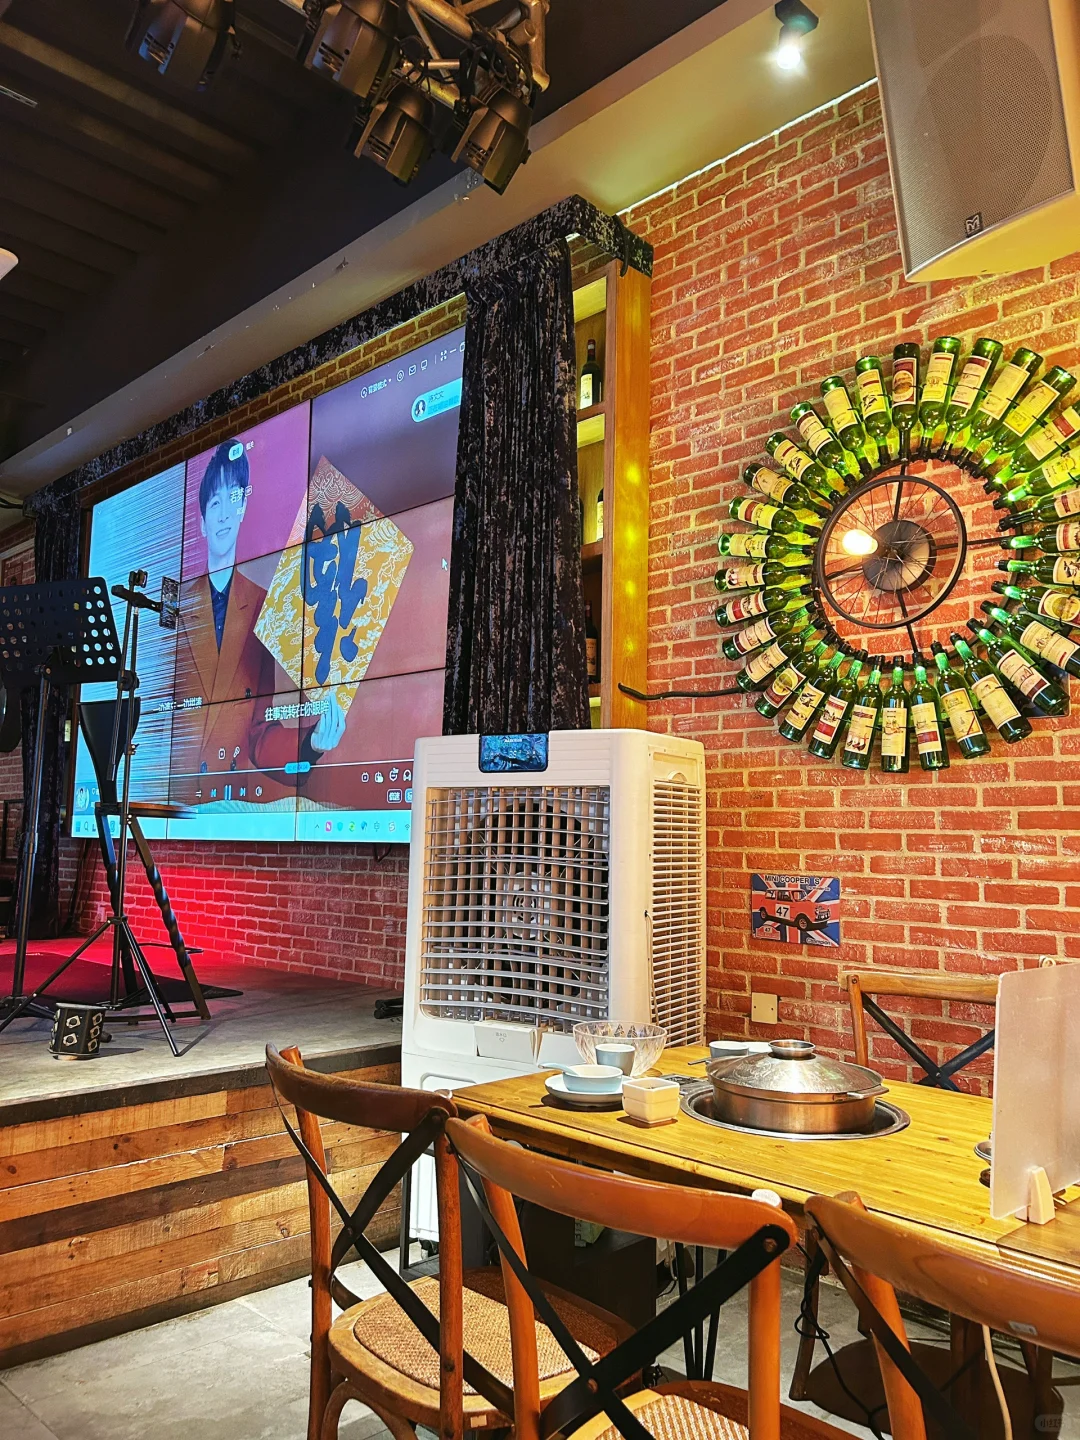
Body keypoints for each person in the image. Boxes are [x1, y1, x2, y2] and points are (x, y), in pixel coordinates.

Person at [172, 440, 344, 804]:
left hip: (226, 806)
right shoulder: (174, 607)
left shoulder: (262, 605)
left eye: (232, 499)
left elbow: (259, 735)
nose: (223, 515)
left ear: (243, 508)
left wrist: (311, 743)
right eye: (214, 503)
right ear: (201, 523)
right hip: (169, 801)